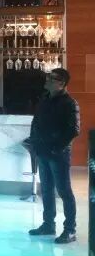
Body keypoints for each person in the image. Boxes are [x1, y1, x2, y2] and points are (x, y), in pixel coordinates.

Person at [27, 68, 80, 244]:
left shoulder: (70, 103)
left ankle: (70, 230)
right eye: (48, 77)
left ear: (61, 83)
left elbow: (74, 130)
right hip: (43, 151)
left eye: (52, 78)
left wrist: (57, 148)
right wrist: (34, 141)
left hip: (58, 154)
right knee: (47, 190)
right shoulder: (45, 99)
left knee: (64, 191)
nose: (47, 79)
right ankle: (48, 224)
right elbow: (36, 121)